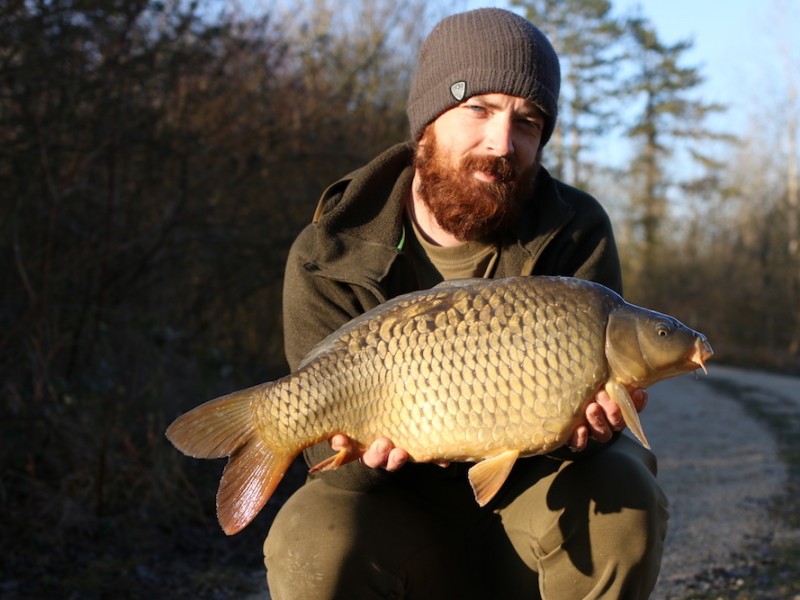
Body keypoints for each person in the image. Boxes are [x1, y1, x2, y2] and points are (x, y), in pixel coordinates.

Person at [263, 8, 668, 599]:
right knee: (310, 534)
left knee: (624, 487)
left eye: (527, 121)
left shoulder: (576, 229)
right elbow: (333, 465)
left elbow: (593, 425)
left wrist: (596, 430)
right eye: (478, 108)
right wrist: (356, 453)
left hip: (534, 508)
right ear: (427, 120)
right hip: (397, 516)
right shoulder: (330, 250)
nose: (501, 142)